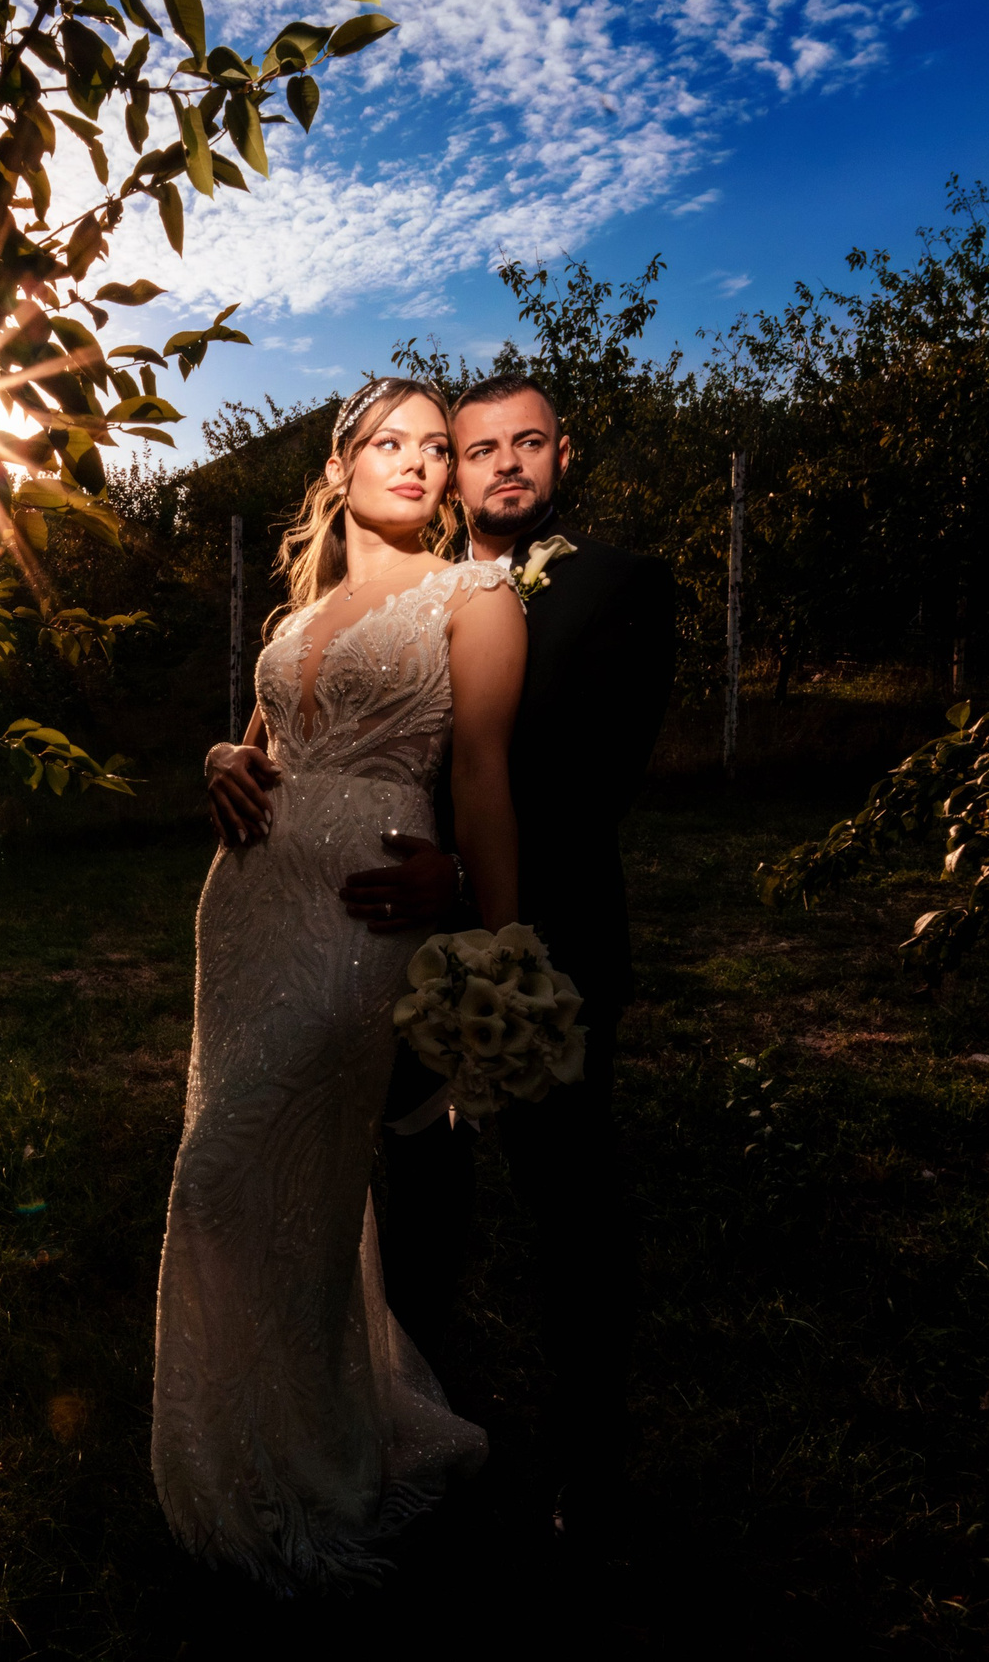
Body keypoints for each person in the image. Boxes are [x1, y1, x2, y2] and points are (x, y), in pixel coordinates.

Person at [219, 374, 678, 1546]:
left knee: (568, 1206)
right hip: (368, 940)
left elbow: (585, 793)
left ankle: (593, 1460)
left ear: (560, 458)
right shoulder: (387, 588)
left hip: (540, 947)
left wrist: (475, 900)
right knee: (411, 1208)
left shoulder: (615, 590)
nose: (497, 466)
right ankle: (405, 1415)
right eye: (475, 449)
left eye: (525, 444)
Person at [153, 376, 517, 1592]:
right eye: (393, 443)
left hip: (367, 918)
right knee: (247, 1191)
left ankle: (322, 1468)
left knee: (237, 1179)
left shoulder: (474, 594)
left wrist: (485, 928)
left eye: (435, 449)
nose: (418, 464)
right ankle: (269, 1444)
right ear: (342, 462)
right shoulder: (299, 617)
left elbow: (481, 774)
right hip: (246, 915)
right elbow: (261, 751)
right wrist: (218, 753)